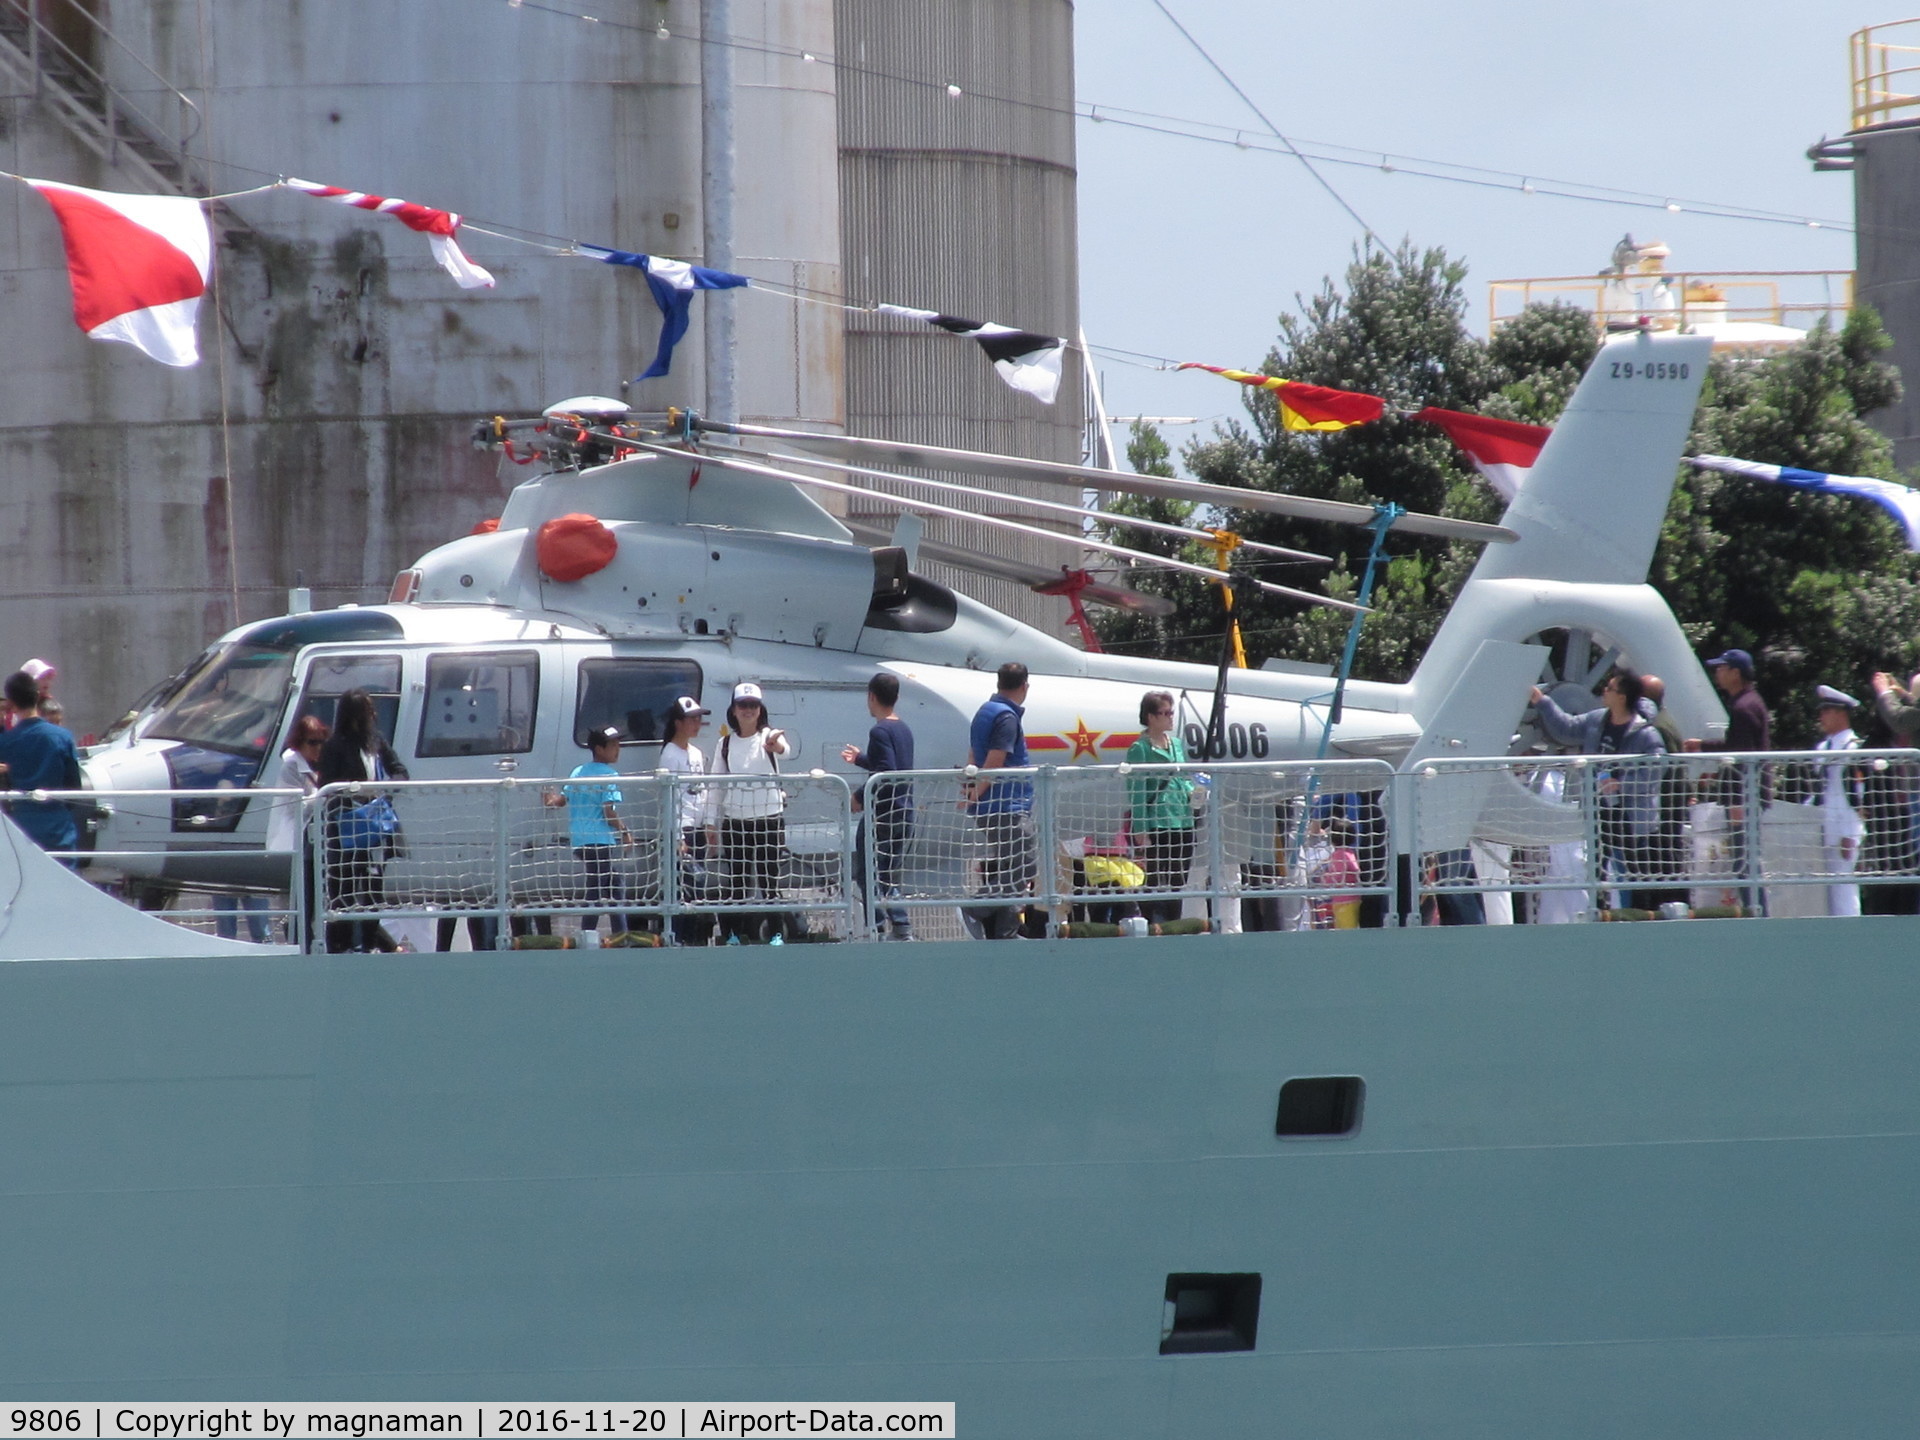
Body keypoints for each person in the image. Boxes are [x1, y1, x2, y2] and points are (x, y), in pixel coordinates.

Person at [1529, 671, 1667, 909]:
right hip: (1600, 808)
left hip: (1630, 814)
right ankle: (1599, 913)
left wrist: (1622, 785)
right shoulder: (1597, 720)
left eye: (1610, 688)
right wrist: (1542, 701)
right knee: (1597, 867)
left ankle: (1643, 917)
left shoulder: (1646, 734)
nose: (1604, 691)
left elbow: (1656, 770)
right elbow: (1567, 727)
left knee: (1635, 870)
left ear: (1622, 697)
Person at [314, 688, 408, 953]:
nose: (374, 714)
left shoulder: (376, 742)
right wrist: (353, 790)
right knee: (341, 890)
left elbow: (399, 770)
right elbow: (326, 785)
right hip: (346, 829)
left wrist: (388, 786)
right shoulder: (335, 745)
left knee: (373, 889)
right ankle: (339, 946)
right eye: (368, 709)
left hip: (375, 828)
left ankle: (370, 944)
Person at [711, 682, 792, 943]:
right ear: (733, 710)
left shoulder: (768, 736)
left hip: (768, 818)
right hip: (735, 819)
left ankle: (776, 934)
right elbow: (716, 785)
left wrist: (775, 746)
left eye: (753, 705)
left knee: (770, 879)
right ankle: (735, 934)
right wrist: (710, 822)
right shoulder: (724, 743)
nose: (748, 710)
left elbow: (785, 751)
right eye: (742, 705)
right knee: (738, 880)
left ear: (760, 709)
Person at [546, 725, 644, 939]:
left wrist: (550, 800)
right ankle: (605, 935)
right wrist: (625, 831)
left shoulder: (578, 772)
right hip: (600, 840)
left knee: (605, 884)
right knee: (605, 887)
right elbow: (608, 811)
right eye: (613, 745)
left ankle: (607, 934)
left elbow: (561, 801)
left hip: (580, 841)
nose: (618, 749)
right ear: (599, 749)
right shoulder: (610, 775)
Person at [841, 673, 917, 940]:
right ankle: (901, 927)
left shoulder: (879, 730)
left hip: (882, 813)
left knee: (867, 873)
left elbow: (886, 771)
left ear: (872, 697)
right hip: (904, 810)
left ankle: (881, 926)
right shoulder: (903, 729)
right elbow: (893, 764)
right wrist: (861, 759)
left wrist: (860, 797)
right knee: (887, 874)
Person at [962, 662, 1034, 940]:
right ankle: (976, 907)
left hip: (993, 806)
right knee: (1025, 866)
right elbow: (995, 761)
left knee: (1010, 867)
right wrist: (976, 794)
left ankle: (1007, 932)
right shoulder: (1007, 717)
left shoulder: (985, 711)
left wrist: (972, 789)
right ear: (1024, 686)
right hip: (1007, 806)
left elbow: (973, 753)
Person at [1123, 690, 1195, 927]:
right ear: (1151, 717)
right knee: (1152, 877)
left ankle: (1174, 925)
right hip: (1157, 821)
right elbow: (1137, 791)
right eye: (1164, 713)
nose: (1170, 717)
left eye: (1171, 712)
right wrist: (1140, 828)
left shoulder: (1174, 744)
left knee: (1178, 877)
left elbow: (1183, 776)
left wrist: (1193, 792)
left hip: (1181, 819)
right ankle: (1152, 925)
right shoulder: (1139, 748)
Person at [0, 669, 81, 863]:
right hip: (57, 827)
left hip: (18, 826)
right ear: (37, 696)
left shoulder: (5, 742)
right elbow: (74, 786)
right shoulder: (62, 736)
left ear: (11, 703)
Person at [657, 696, 715, 946]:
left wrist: (710, 823)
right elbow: (670, 797)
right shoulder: (670, 754)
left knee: (697, 886)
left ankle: (692, 938)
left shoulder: (696, 753)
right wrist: (678, 835)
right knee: (681, 886)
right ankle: (676, 937)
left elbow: (702, 791)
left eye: (699, 719)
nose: (697, 724)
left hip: (697, 827)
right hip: (681, 831)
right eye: (691, 719)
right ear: (678, 722)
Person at [1812, 685, 1866, 918]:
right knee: (1824, 893)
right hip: (1822, 827)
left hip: (1844, 828)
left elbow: (1859, 796)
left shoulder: (1854, 748)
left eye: (1827, 711)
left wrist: (1851, 835)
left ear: (1841, 712)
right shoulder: (1822, 748)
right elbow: (1819, 791)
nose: (1821, 716)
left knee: (1844, 890)